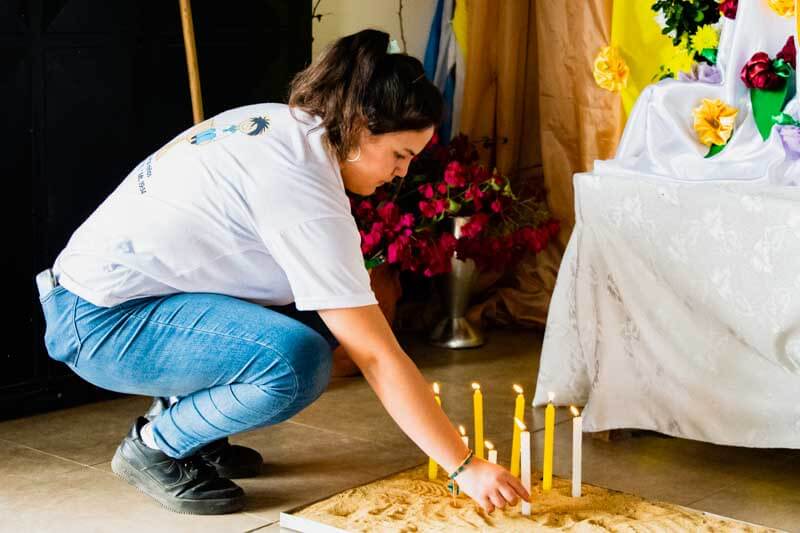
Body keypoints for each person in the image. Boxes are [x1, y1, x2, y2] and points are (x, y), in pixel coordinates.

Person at [35, 29, 530, 515]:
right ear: (360, 125)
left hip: (98, 298)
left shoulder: (284, 125)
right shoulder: (302, 186)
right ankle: (157, 444)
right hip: (99, 323)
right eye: (400, 155)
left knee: (321, 317)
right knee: (297, 361)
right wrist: (463, 465)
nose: (401, 173)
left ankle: (197, 433)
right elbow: (377, 356)